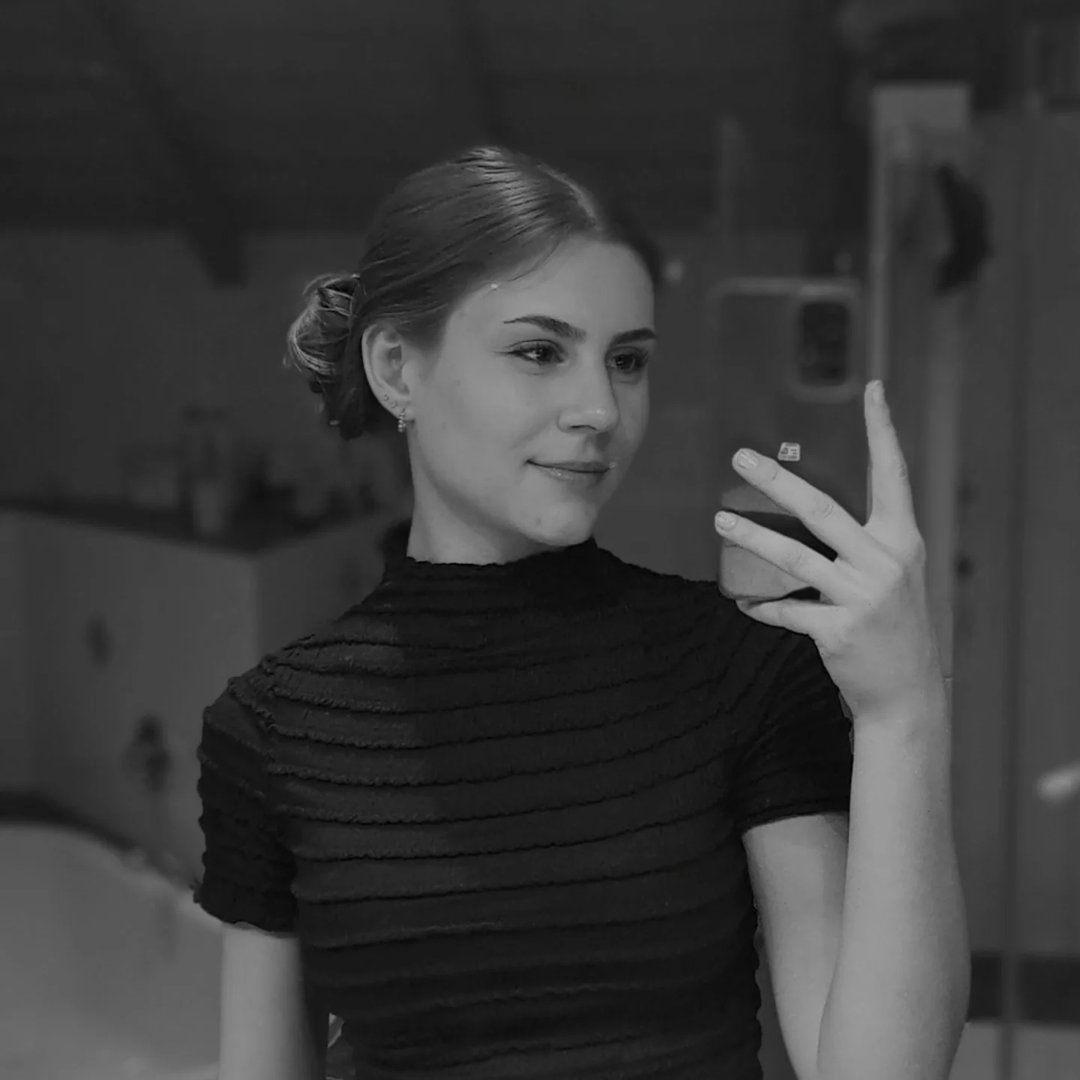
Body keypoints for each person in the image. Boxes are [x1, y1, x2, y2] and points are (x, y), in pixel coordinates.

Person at [194, 145, 968, 1080]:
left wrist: (902, 713)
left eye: (627, 361)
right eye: (539, 352)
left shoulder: (740, 668)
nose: (600, 407)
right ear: (397, 367)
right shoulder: (270, 730)